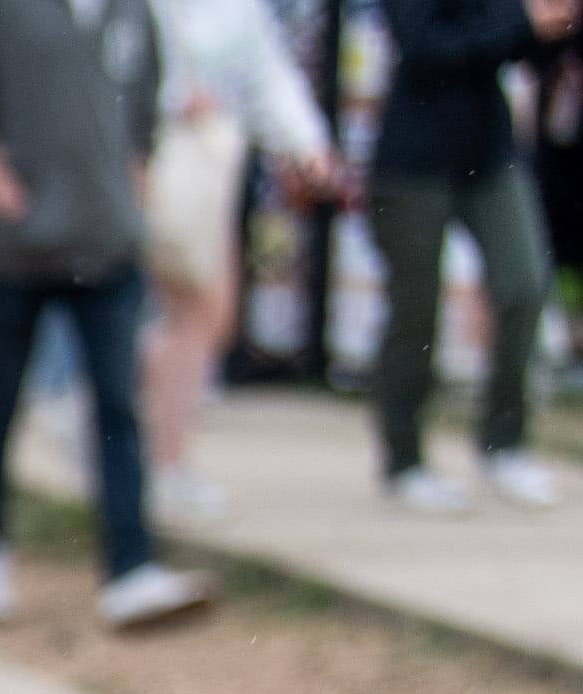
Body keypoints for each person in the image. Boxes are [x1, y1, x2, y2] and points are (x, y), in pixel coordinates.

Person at [0, 0, 212, 625]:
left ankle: (130, 565)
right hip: (15, 247)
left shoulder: (128, 13)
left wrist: (132, 204)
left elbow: (141, 125)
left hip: (107, 242)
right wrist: (7, 200)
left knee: (118, 403)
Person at [363, 0, 572, 512]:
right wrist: (520, 22)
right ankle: (404, 458)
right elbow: (426, 45)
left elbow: (520, 49)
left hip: (490, 152)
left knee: (524, 284)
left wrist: (553, 25)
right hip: (414, 157)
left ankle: (504, 442)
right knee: (415, 311)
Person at [139, 0, 337, 518]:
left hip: (211, 164)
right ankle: (137, 449)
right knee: (185, 311)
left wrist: (308, 144)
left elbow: (265, 69)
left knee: (210, 318)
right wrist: (175, 99)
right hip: (147, 161)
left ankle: (165, 460)